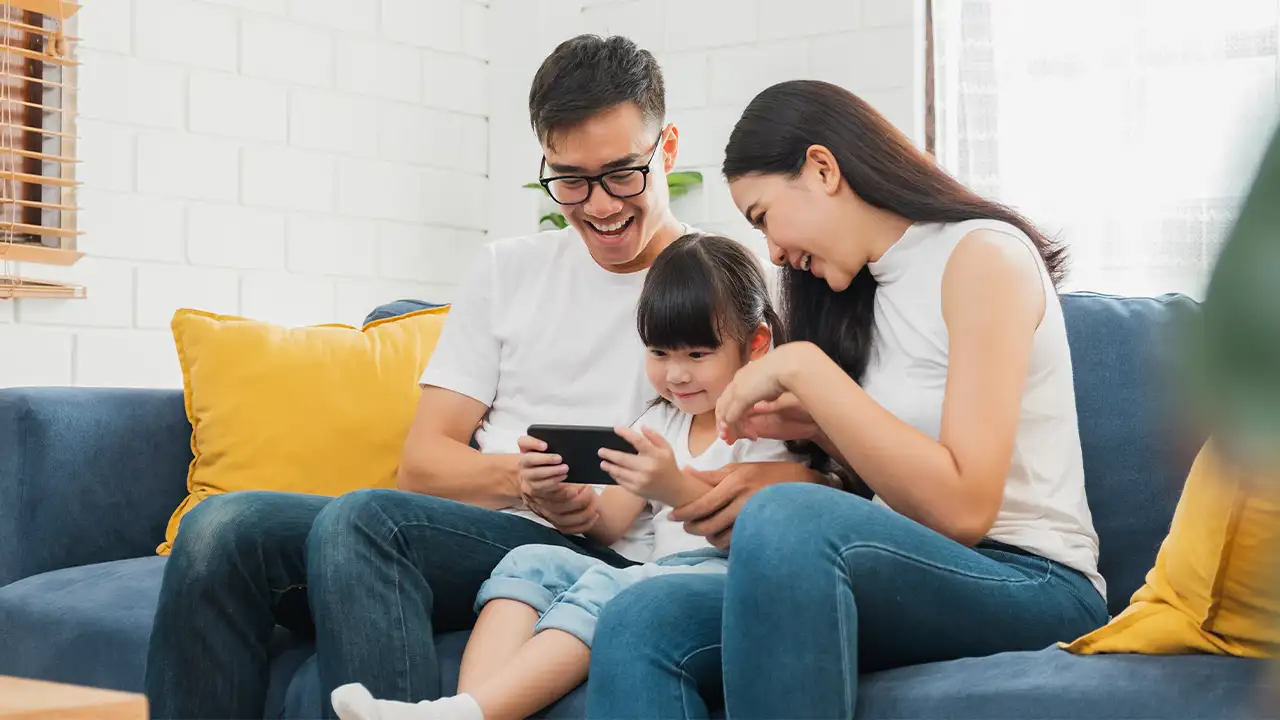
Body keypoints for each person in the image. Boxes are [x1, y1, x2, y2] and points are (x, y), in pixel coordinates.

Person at [143, 37, 820, 720]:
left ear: (666, 149)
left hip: (614, 554)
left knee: (364, 518)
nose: (599, 205)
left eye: (623, 174)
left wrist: (594, 509)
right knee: (220, 530)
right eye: (570, 179)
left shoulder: (729, 290)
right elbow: (423, 465)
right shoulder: (507, 271)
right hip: (470, 532)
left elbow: (787, 463)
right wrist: (528, 484)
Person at [586, 79, 1112, 719]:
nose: (773, 251)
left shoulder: (982, 257)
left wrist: (807, 372)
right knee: (640, 617)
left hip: (1031, 580)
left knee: (787, 519)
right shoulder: (861, 292)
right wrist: (812, 441)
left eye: (764, 217)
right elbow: (893, 495)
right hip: (914, 566)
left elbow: (965, 508)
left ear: (822, 169)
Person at [328, 233, 811, 720]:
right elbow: (607, 524)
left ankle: (466, 713)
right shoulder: (660, 422)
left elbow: (761, 537)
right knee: (531, 559)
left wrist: (672, 486)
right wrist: (564, 495)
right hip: (651, 574)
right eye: (660, 354)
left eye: (697, 355)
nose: (677, 375)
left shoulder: (775, 425)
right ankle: (467, 709)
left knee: (614, 589)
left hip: (722, 580)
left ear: (756, 345)